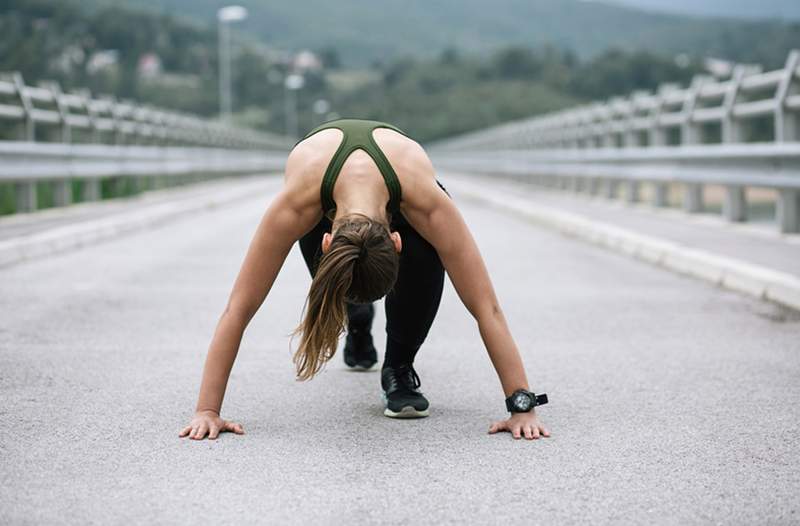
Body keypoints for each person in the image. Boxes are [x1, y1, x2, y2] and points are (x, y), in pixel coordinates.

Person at [179, 118, 550, 441]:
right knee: (347, 278)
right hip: (324, 196)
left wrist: (521, 403)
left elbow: (486, 306)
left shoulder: (426, 201)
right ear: (325, 243)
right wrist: (207, 410)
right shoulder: (297, 204)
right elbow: (238, 308)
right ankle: (357, 320)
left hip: (400, 195)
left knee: (429, 254)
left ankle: (399, 367)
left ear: (396, 241)